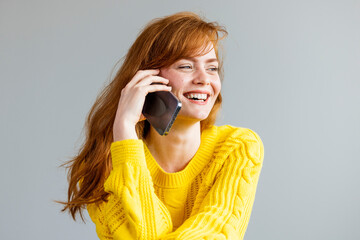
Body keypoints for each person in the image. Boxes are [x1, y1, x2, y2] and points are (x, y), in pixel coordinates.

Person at [60, 11, 264, 240]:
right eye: (186, 66)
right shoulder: (105, 162)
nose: (204, 79)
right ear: (146, 79)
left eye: (212, 68)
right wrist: (125, 130)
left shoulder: (238, 148)